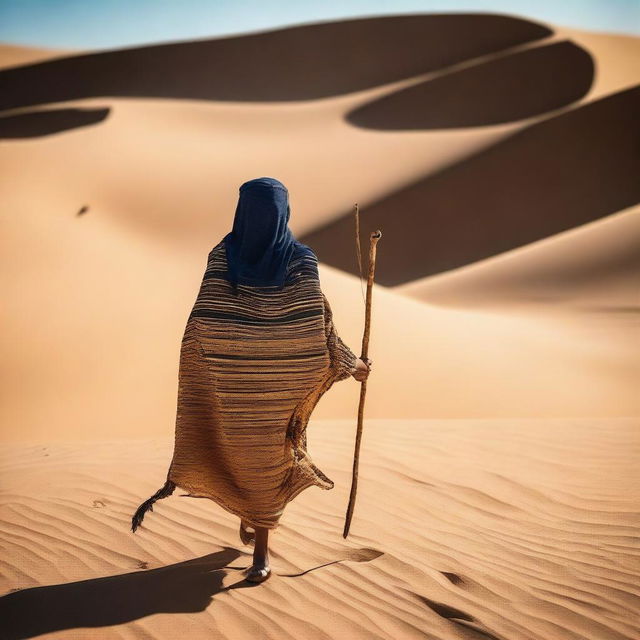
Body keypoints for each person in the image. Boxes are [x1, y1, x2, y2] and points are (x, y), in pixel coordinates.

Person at [131, 177, 371, 583]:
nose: (265, 220)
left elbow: (315, 323)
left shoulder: (299, 259)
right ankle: (252, 515)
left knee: (267, 466)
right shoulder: (223, 256)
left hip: (279, 395)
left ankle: (261, 547)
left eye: (271, 212)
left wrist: (348, 362)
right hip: (231, 391)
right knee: (238, 461)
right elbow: (207, 319)